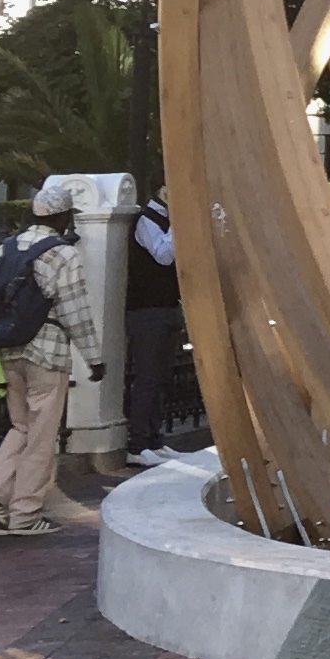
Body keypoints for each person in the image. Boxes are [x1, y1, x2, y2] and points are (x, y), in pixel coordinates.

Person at [0, 177, 106, 537]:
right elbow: (75, 311)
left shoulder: (8, 248)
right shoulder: (63, 253)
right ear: (64, 217)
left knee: (21, 426)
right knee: (42, 436)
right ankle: (25, 514)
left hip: (8, 349)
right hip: (47, 352)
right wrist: (93, 358)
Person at [122, 191, 189, 466]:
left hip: (167, 306)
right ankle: (137, 444)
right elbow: (163, 255)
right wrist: (178, 225)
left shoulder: (165, 221)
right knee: (148, 377)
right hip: (147, 310)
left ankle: (154, 440)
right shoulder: (146, 220)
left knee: (161, 377)